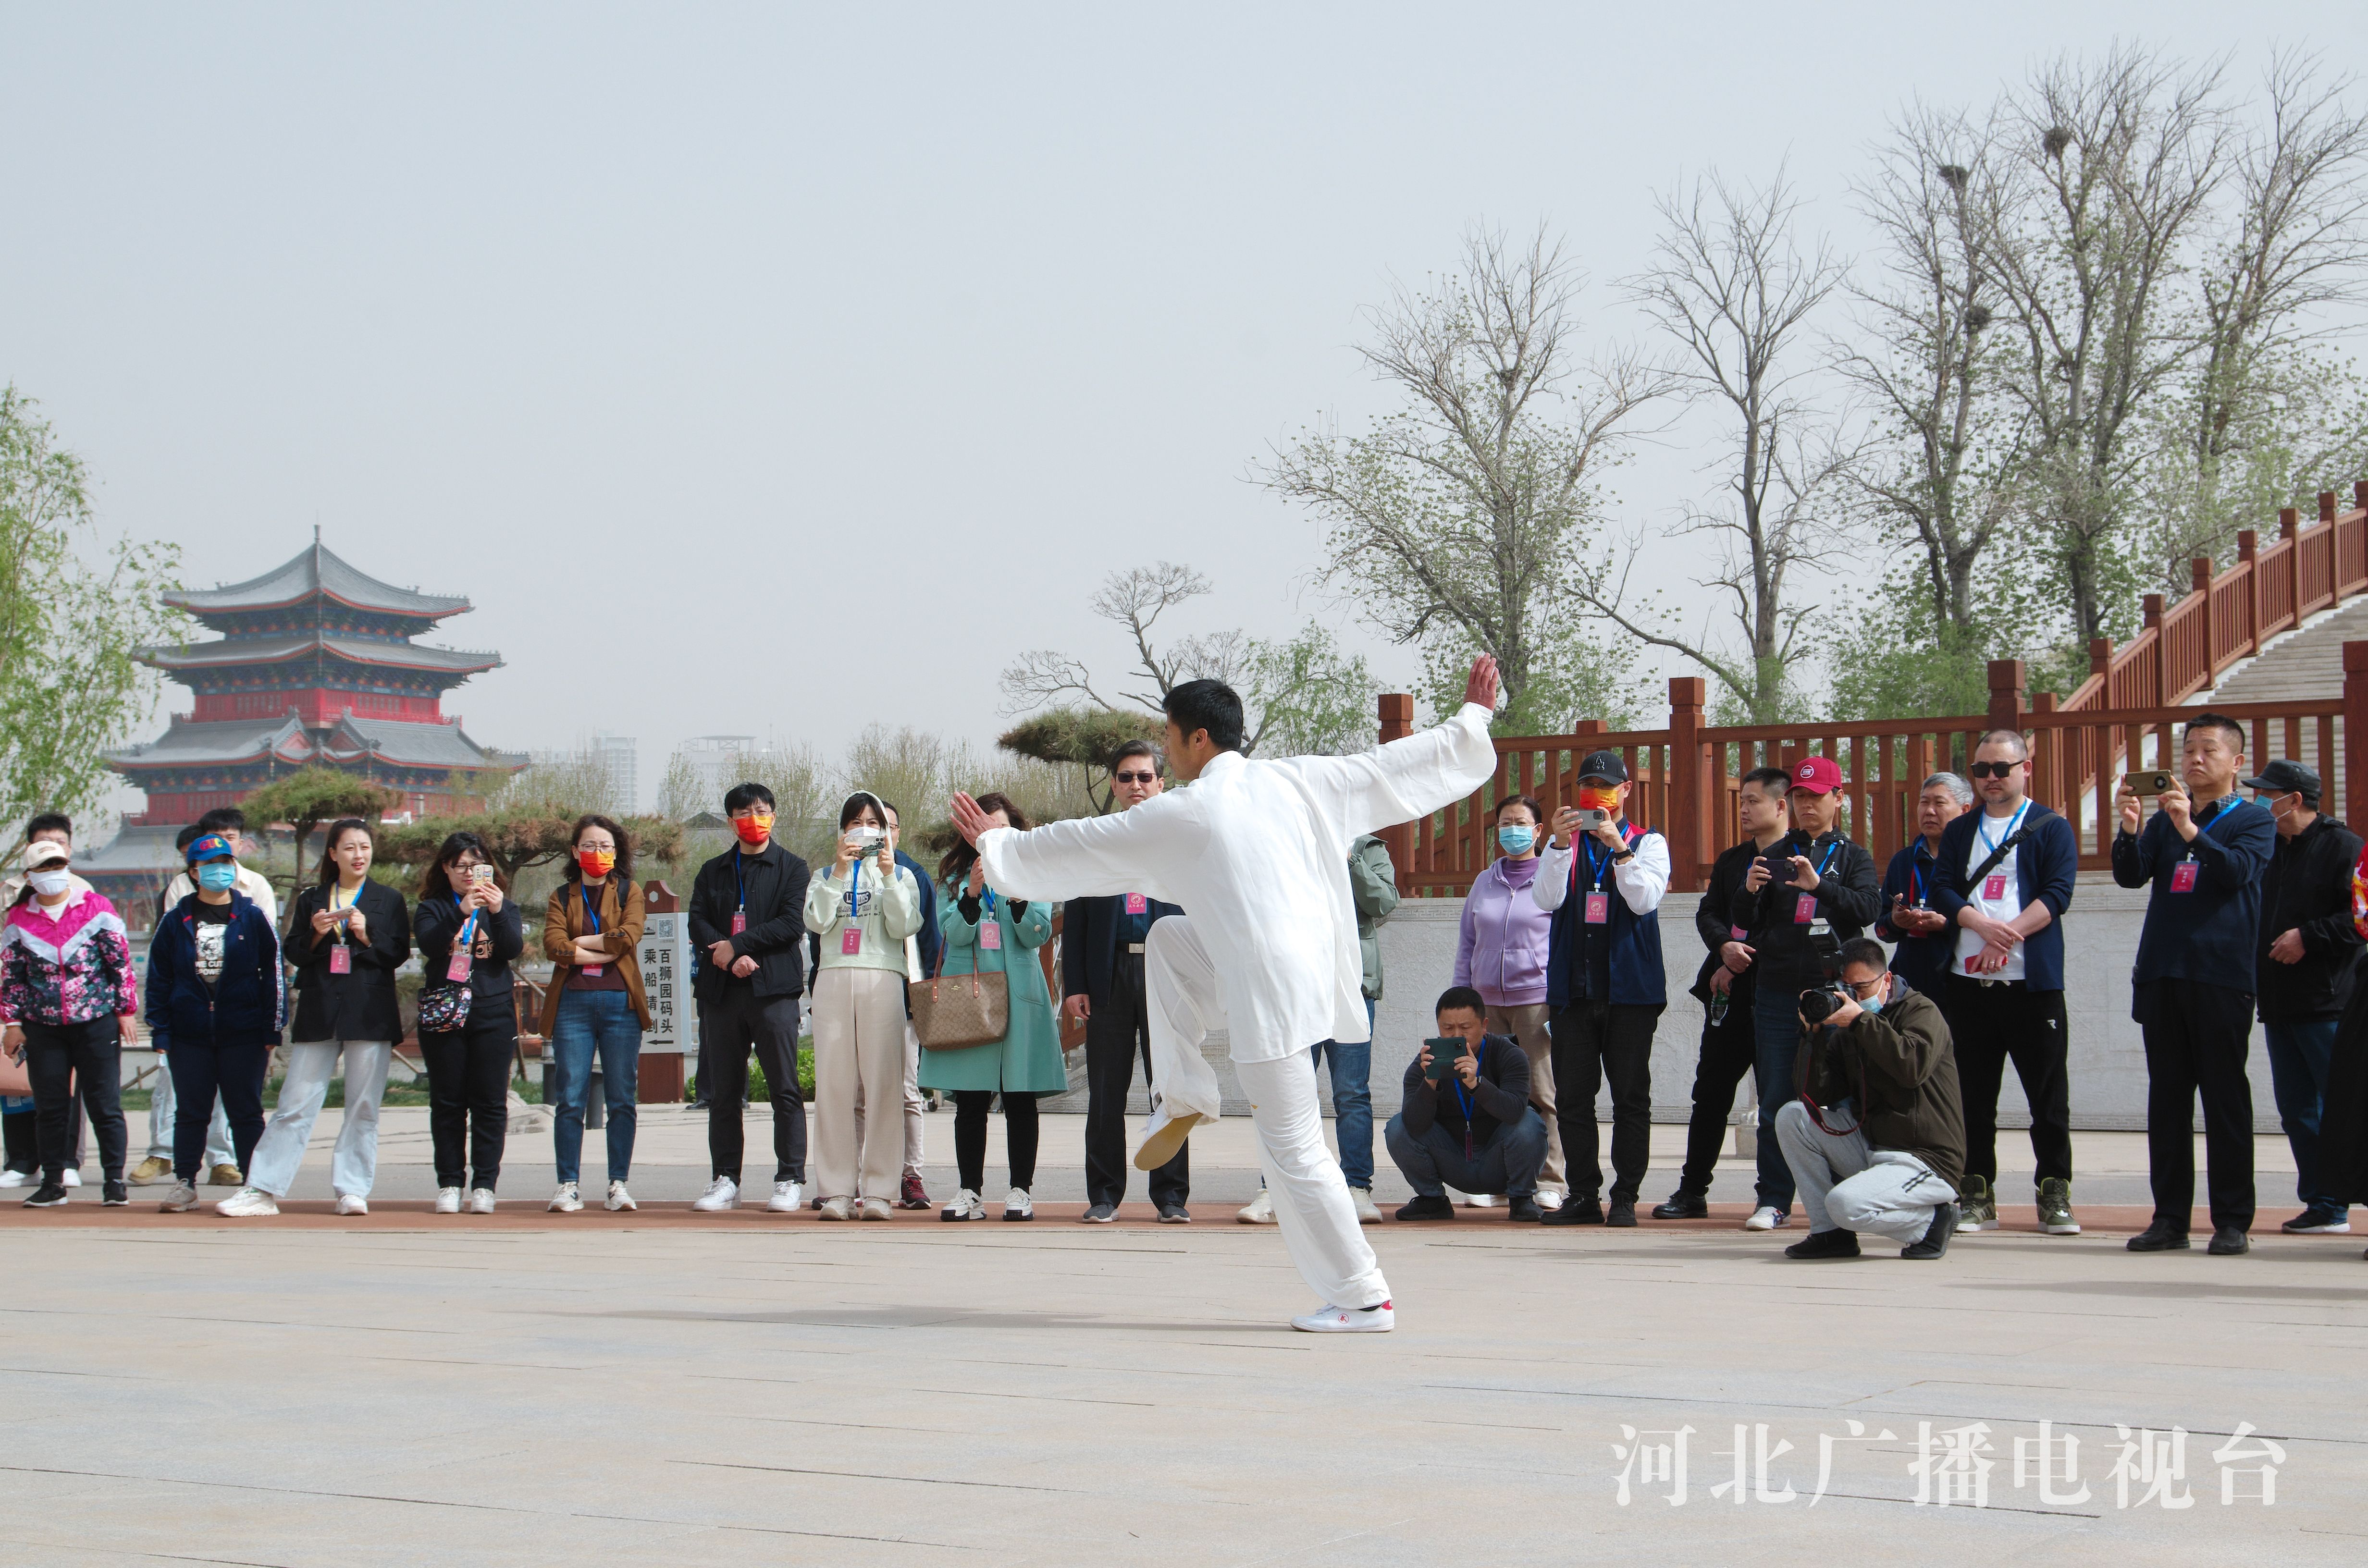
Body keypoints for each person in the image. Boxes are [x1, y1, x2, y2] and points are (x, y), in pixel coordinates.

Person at [951, 657, 1502, 1333]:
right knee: (1169, 941)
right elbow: (1393, 766)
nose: (1166, 750)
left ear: (1198, 739)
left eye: (1169, 736)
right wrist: (1471, 719)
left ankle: (1364, 1297)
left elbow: (1085, 843)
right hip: (1300, 972)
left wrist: (1001, 848)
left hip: (1269, 995)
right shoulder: (1299, 778)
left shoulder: (1188, 808)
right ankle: (1183, 1093)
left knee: (1294, 1151)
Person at [2112, 712, 2277, 1255]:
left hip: (2220, 976)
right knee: (2167, 1102)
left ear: (2236, 761)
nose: (2195, 760)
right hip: (2162, 972)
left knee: (2225, 1100)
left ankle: (2231, 1220)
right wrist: (2131, 828)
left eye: (2208, 750)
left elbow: (2235, 873)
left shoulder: (2253, 821)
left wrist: (2189, 829)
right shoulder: (2164, 821)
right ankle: (2169, 1219)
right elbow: (2130, 876)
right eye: (2188, 751)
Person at [1930, 731, 2081, 1237]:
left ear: (2025, 769)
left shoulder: (2051, 827)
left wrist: (2007, 935)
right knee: (1972, 1097)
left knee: (2047, 1098)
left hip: (2031, 985)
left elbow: (2057, 894)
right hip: (1968, 984)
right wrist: (1980, 925)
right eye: (1981, 770)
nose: (1991, 779)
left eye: (2001, 768)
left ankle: (2054, 1194)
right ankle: (1976, 1195)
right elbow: (1943, 889)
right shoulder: (1961, 829)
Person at [221, 818, 409, 1217]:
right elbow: (293, 951)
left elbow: (397, 953)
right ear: (333, 854)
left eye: (364, 847)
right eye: (350, 848)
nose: (359, 855)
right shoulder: (313, 899)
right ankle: (262, 1189)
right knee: (295, 1103)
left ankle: (352, 1190)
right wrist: (318, 933)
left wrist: (366, 933)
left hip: (369, 1012)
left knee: (363, 1107)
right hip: (321, 1007)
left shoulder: (388, 899)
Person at [1736, 755, 1881, 1231]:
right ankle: (1773, 1198)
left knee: (1836, 1098)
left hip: (1832, 995)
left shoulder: (1853, 856)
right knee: (1775, 1098)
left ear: (1838, 798)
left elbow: (1867, 909)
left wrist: (1819, 887)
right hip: (1778, 992)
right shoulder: (1774, 854)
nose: (1807, 805)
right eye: (1799, 797)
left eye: (1816, 796)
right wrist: (1748, 892)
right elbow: (1745, 921)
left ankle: (1843, 1197)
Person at [1534, 751, 1670, 1228]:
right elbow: (1545, 898)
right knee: (1573, 1098)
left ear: (1626, 790)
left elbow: (1643, 900)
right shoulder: (1564, 846)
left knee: (1630, 1097)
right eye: (1589, 786)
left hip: (1629, 992)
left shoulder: (1649, 842)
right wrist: (1557, 844)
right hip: (1574, 991)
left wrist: (1618, 847)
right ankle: (1583, 1194)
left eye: (1607, 786)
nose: (1598, 794)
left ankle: (1625, 1196)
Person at [1652, 767, 1792, 1220]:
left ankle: (1774, 1197)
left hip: (1780, 995)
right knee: (1710, 1095)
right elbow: (1708, 913)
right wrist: (1724, 948)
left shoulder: (1801, 860)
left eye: (1753, 801)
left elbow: (1792, 926)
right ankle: (1692, 1191)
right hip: (1730, 996)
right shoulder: (1733, 860)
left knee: (1778, 1101)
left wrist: (1744, 955)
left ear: (1781, 806)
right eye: (1742, 800)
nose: (1744, 809)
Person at [1774, 938, 1964, 1261]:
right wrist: (1812, 1036)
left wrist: (1861, 1021)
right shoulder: (1850, 1027)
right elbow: (1815, 1095)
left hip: (1926, 1156)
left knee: (1844, 1205)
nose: (1855, 998)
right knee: (1793, 1116)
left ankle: (1932, 1221)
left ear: (1887, 979)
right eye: (1847, 989)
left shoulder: (1921, 1011)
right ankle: (1830, 1234)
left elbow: (1911, 1069)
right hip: (1874, 1147)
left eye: (1862, 988)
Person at [1063, 740, 1189, 1223]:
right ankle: (1104, 1194)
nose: (1135, 785)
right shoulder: (1095, 841)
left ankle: (1171, 1197)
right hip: (1109, 975)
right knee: (1105, 1093)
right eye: (1125, 777)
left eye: (1144, 777)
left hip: (1165, 974)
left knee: (1170, 1089)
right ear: (1114, 786)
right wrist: (1075, 984)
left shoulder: (1178, 841)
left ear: (1161, 784)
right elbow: (1076, 919)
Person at [1243, 833, 1397, 1225]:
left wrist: (1349, 859)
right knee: (1286, 1091)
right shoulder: (1289, 838)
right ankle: (1274, 1188)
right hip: (1296, 987)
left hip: (1352, 987)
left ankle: (1356, 1188)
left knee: (1351, 1092)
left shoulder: (1368, 848)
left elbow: (1383, 903)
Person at [925, 793, 1064, 1222]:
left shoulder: (1031, 872)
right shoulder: (956, 877)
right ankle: (970, 1191)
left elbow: (1037, 933)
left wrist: (1015, 892)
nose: (992, 834)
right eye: (984, 827)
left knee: (1020, 1097)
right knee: (970, 1100)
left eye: (1001, 828)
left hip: (1020, 997)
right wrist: (972, 892)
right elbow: (953, 934)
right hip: (971, 997)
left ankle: (1021, 1190)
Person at [2243, 759, 2363, 1235]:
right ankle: (2324, 1203)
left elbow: (2360, 920)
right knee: (2297, 1112)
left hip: (2328, 1005)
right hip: (2279, 1003)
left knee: (2345, 1110)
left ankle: (2344, 1199)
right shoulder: (2269, 848)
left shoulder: (2344, 847)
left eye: (2267, 794)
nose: (2259, 801)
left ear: (2294, 800)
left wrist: (2308, 937)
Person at [685, 784, 813, 1214]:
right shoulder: (713, 870)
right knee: (724, 1091)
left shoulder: (793, 868)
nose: (753, 819)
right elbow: (698, 922)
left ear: (773, 816)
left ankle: (789, 1178)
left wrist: (736, 946)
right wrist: (727, 956)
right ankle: (726, 1179)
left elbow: (791, 923)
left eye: (761, 811)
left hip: (773, 991)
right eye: (743, 812)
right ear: (730, 821)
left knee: (784, 1088)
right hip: (722, 992)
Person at [144, 833, 281, 1214]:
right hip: (189, 1033)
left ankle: (256, 1186)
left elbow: (273, 974)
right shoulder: (176, 920)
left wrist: (272, 1026)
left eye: (225, 862)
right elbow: (159, 977)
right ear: (194, 872)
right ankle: (185, 1183)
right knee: (191, 1112)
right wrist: (160, 1029)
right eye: (209, 865)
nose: (219, 870)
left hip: (244, 1031)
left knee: (246, 1112)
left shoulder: (252, 916)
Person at [804, 791, 923, 1221]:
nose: (865, 830)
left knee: (885, 1086)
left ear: (886, 831)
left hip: (883, 978)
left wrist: (889, 876)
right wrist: (839, 872)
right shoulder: (823, 875)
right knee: (834, 1087)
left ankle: (879, 1191)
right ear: (842, 830)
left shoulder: (902, 875)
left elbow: (905, 925)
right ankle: (836, 1190)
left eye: (874, 823)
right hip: (834, 978)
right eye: (856, 822)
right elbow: (816, 922)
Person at [2, 839, 137, 1207]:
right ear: (29, 876)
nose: (52, 873)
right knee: (50, 1108)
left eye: (57, 865)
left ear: (68, 867)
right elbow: (12, 977)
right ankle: (53, 1183)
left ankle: (114, 1182)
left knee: (105, 1104)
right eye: (43, 868)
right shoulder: (19, 919)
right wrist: (12, 1024)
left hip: (96, 1022)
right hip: (43, 1026)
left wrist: (126, 1010)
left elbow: (120, 963)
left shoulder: (96, 908)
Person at [1451, 794, 1564, 1211]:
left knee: (1542, 1093)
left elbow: (1563, 943)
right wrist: (1463, 1000)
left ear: (1538, 830)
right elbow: (1468, 943)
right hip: (1486, 1005)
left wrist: (1559, 1001)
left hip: (1535, 1001)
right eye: (1505, 823)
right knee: (1488, 1093)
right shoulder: (1485, 881)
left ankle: (1551, 1180)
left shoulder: (1552, 878)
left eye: (1520, 823)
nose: (1512, 830)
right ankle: (1497, 1180)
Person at [412, 832, 524, 1214]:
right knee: (447, 1101)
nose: (468, 873)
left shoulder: (504, 906)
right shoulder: (432, 908)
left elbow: (511, 949)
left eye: (477, 866)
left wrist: (497, 910)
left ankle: (485, 1185)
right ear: (445, 868)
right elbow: (430, 945)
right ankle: (449, 1183)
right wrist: (460, 911)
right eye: (460, 866)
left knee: (490, 1101)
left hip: (492, 1011)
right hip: (445, 1010)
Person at [542, 815, 649, 1214]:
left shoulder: (629, 891)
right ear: (575, 851)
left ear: (616, 852)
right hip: (573, 1004)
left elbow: (628, 937)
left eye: (605, 846)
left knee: (622, 1098)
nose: (597, 852)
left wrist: (580, 945)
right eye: (589, 845)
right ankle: (568, 1185)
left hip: (621, 1004)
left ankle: (618, 1184)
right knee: (570, 1097)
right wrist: (602, 950)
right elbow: (554, 944)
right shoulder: (561, 895)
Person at [1386, 986, 1548, 1222]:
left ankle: (1522, 1199)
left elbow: (1514, 1112)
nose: (1456, 1036)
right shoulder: (1424, 1064)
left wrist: (1477, 1084)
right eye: (1448, 1028)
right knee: (1396, 1126)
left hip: (1497, 1157)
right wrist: (1430, 1083)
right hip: (1453, 1158)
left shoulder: (1509, 1054)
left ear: (1484, 1026)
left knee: (1530, 1122)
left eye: (1465, 1028)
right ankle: (1432, 1200)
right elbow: (1412, 1126)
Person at [3, 813, 97, 1190]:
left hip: (71, 1008)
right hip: (21, 1003)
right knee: (15, 1083)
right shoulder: (9, 892)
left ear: (69, 849)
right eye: (44, 842)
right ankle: (21, 1160)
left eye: (59, 843)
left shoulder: (83, 892)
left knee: (64, 1085)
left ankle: (65, 1160)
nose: (52, 849)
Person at [871, 801, 941, 1210]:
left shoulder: (913, 875)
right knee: (858, 1093)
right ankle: (853, 1177)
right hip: (856, 995)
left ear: (898, 832)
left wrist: (926, 996)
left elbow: (929, 938)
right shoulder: (843, 874)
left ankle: (910, 1176)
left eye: (887, 826)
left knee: (906, 1091)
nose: (880, 834)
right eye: (868, 825)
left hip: (902, 997)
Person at [1876, 773, 1970, 1000]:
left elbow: (1990, 924)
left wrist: (1947, 925)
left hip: (1960, 983)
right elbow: (1881, 930)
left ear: (1964, 811)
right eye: (1924, 802)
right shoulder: (1903, 861)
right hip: (1909, 987)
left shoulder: (1972, 861)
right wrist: (1896, 922)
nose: (1929, 811)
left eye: (1939, 803)